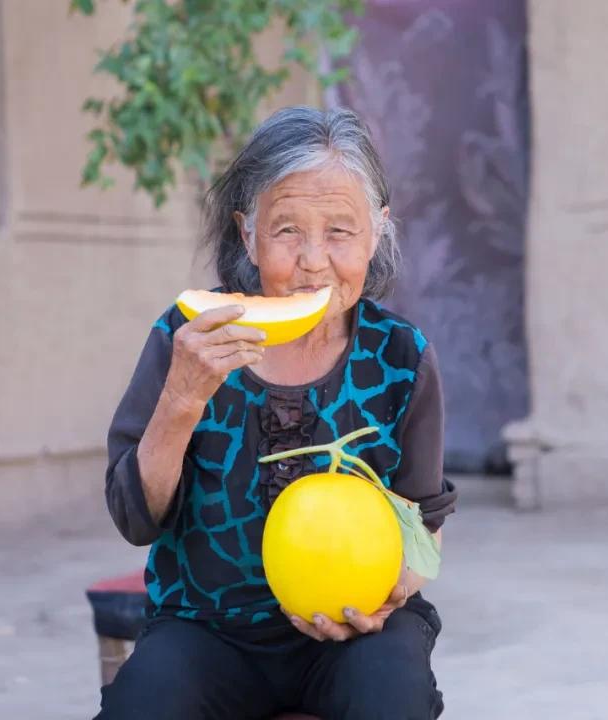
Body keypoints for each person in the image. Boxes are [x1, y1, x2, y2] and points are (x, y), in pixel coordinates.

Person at [95, 106, 456, 720]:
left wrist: (386, 596)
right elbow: (136, 518)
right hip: (204, 629)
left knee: (390, 696)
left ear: (378, 233)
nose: (313, 260)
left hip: (358, 633)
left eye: (340, 232)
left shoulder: (402, 357)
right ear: (247, 234)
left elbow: (423, 530)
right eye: (287, 230)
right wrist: (184, 396)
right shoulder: (190, 338)